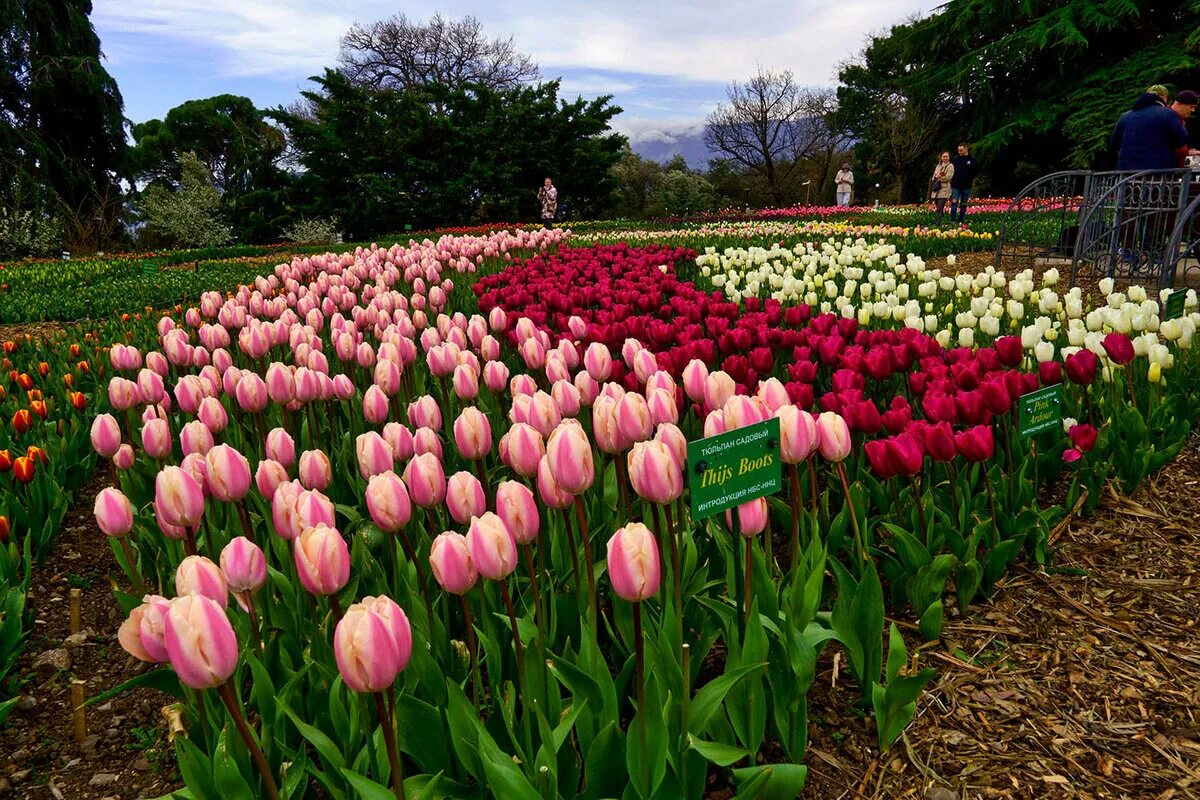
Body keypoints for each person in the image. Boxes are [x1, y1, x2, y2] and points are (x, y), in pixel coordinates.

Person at [1111, 85, 1189, 170]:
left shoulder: (1125, 116)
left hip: (1126, 174)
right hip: (1156, 174)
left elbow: (1115, 143)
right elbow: (1182, 139)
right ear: (1164, 98)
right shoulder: (1168, 114)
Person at [949, 143, 979, 224]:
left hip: (967, 186)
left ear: (966, 149)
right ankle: (953, 221)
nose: (959, 152)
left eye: (961, 150)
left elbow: (976, 171)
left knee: (964, 204)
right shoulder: (955, 159)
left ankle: (961, 220)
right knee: (954, 203)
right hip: (956, 185)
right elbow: (951, 170)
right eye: (958, 150)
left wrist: (970, 178)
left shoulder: (972, 159)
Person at [1169, 89, 1199, 167]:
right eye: (1191, 107)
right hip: (1165, 171)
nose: (1193, 110)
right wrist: (1189, 152)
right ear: (1179, 104)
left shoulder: (1180, 120)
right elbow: (1167, 147)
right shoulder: (1168, 119)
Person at [929, 151, 954, 225]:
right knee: (938, 207)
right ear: (941, 157)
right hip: (937, 190)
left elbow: (949, 177)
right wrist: (936, 177)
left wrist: (939, 178)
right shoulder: (938, 166)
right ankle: (942, 219)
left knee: (940, 207)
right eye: (944, 156)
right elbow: (934, 177)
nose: (945, 158)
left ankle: (937, 224)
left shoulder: (950, 166)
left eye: (947, 156)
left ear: (949, 157)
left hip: (945, 189)